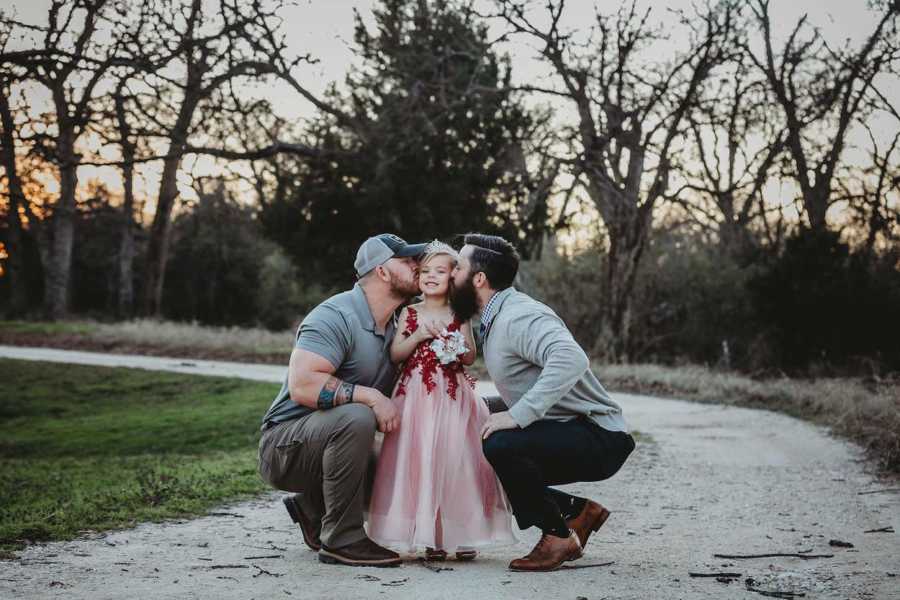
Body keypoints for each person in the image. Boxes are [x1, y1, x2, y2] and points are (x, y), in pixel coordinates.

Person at [449, 233, 636, 572]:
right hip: (570, 427)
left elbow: (570, 358)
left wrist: (518, 415)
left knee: (500, 443)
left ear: (479, 279)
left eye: (457, 267)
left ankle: (557, 535)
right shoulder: (496, 315)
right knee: (474, 416)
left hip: (600, 435)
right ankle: (576, 512)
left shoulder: (519, 315)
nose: (450, 273)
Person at [257, 233, 425, 567]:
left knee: (410, 467)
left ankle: (313, 507)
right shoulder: (335, 315)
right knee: (357, 416)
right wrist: (371, 396)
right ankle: (342, 539)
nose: (417, 266)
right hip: (285, 447)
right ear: (382, 271)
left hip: (333, 442)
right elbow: (303, 385)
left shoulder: (398, 326)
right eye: (407, 261)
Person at [367, 241, 517, 560]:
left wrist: (453, 345)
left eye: (440, 271)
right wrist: (419, 335)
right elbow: (396, 354)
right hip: (415, 399)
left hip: (452, 398)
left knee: (455, 462)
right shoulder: (409, 312)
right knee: (420, 462)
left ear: (453, 277)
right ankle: (431, 537)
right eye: (424, 271)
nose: (430, 276)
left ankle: (462, 535)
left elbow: (469, 356)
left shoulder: (458, 312)